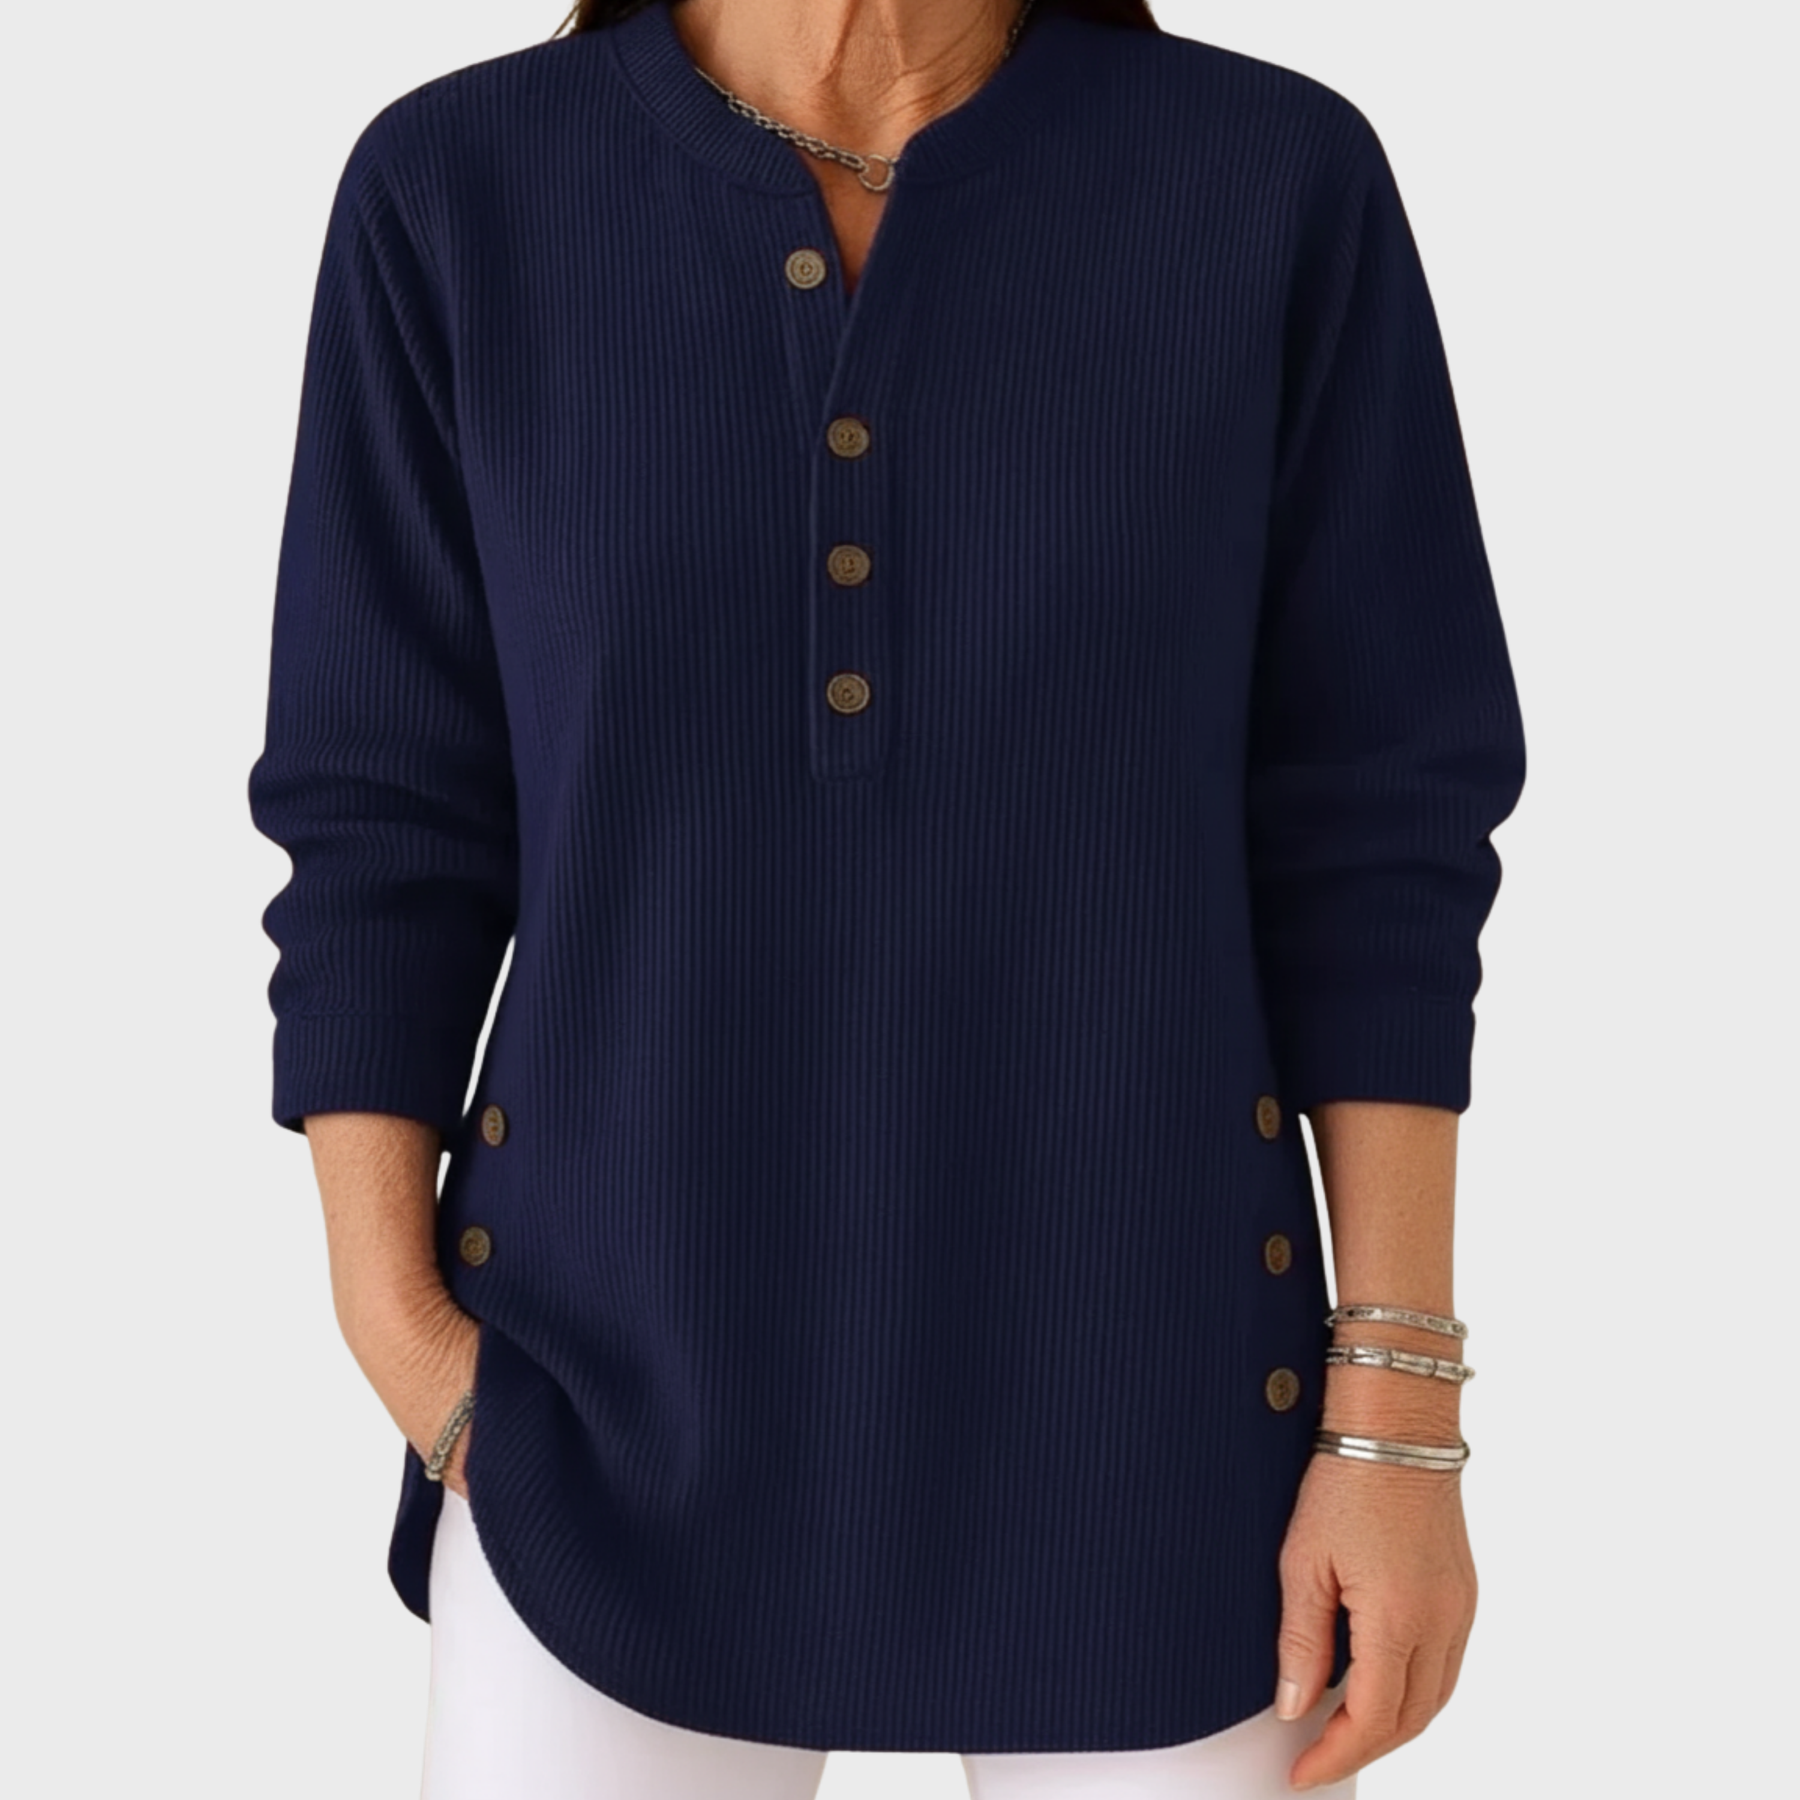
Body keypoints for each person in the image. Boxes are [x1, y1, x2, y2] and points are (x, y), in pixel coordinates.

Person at [247, 0, 1526, 1794]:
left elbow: (1378, 837)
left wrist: (1395, 1422)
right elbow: (383, 821)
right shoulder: (460, 190)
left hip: (1155, 1422)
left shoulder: (1269, 184)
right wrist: (409, 1346)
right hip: (599, 1422)